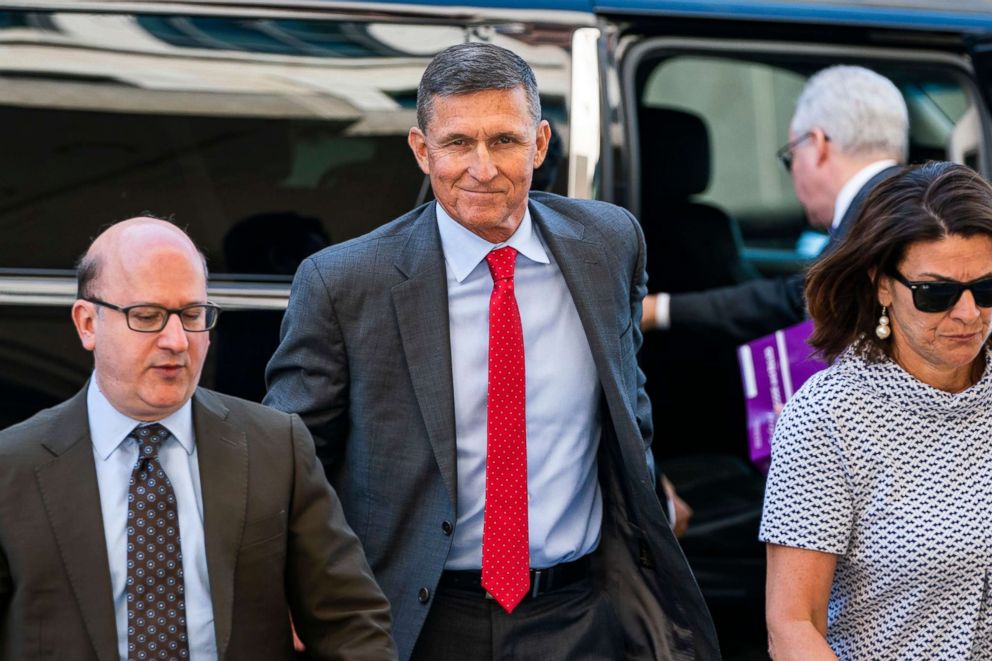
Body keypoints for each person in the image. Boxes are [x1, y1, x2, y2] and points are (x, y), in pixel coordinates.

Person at [264, 42, 719, 660]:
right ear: (423, 152)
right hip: (415, 621)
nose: (482, 167)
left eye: (504, 140)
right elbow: (292, 458)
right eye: (457, 144)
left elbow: (626, 404)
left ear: (539, 144)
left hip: (580, 615)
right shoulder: (345, 282)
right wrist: (292, 586)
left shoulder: (608, 244)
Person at [0, 217, 396, 660]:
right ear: (87, 323)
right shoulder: (11, 468)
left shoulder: (274, 447)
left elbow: (349, 621)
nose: (177, 340)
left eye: (192, 315)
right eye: (146, 316)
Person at [760, 161, 992, 659]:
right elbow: (792, 624)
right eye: (937, 294)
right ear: (882, 283)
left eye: (987, 288)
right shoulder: (828, 417)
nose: (969, 313)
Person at [642, 65, 908, 343]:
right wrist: (661, 309)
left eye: (791, 158)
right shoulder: (898, 204)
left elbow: (805, 305)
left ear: (818, 146)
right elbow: (799, 297)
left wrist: (657, 310)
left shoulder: (872, 220)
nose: (793, 173)